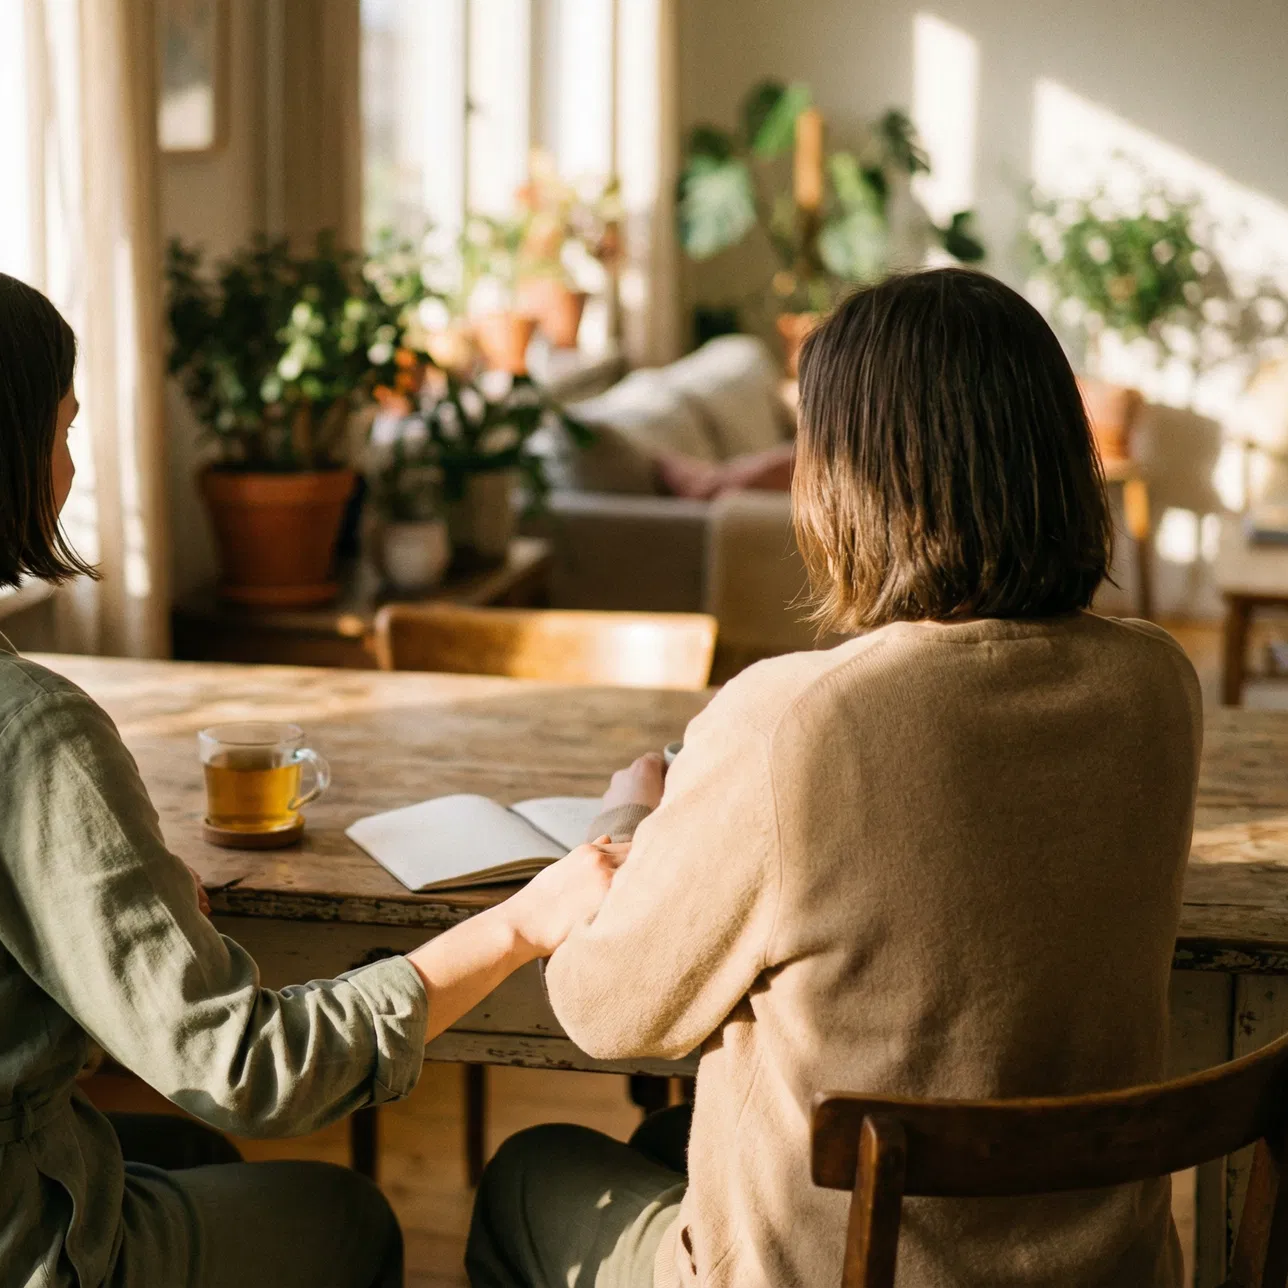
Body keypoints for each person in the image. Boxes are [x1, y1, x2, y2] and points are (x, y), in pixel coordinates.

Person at [0, 254, 622, 1288]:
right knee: (346, 1216)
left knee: (187, 1155)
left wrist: (91, 920)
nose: (70, 467)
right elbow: (248, 1070)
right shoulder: (21, 729)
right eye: (63, 431)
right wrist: (519, 923)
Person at [466, 268, 1203, 1288]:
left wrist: (628, 823)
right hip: (1098, 1267)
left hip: (850, 1268)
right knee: (672, 1143)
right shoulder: (1159, 682)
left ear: (845, 482)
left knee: (530, 1174)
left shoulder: (793, 722)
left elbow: (608, 1010)